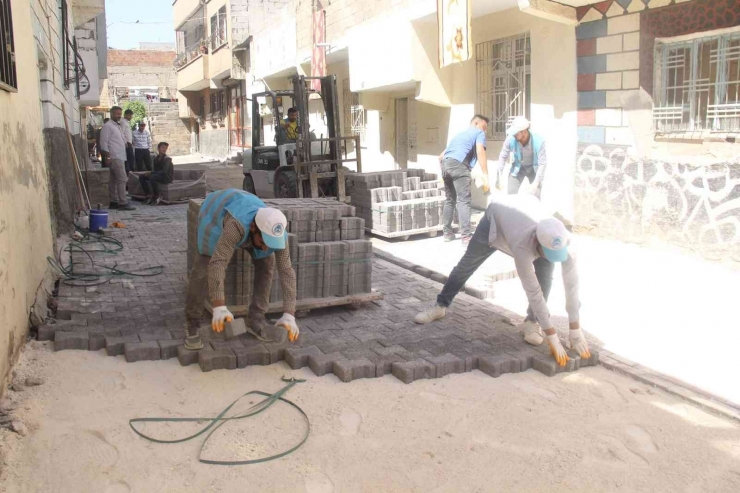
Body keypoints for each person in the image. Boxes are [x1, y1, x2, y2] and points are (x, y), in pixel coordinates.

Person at [414, 194, 591, 368]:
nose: (552, 258)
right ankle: (440, 306)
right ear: (537, 242)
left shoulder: (563, 241)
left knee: (545, 278)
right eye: (548, 254)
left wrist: (575, 326)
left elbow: (572, 284)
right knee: (467, 265)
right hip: (495, 223)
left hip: (525, 213)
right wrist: (551, 334)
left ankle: (532, 322)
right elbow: (533, 291)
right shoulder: (522, 246)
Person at [183, 189, 299, 350]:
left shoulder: (278, 232)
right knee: (203, 267)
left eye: (271, 242)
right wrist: (219, 306)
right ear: (252, 227)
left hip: (247, 205)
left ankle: (256, 319)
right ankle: (192, 322)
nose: (267, 246)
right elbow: (218, 264)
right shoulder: (236, 226)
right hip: (215, 212)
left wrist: (289, 314)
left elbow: (287, 271)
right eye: (264, 240)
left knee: (267, 264)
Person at [438, 115, 490, 246]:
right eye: (484, 127)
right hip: (459, 166)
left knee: (450, 200)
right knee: (464, 201)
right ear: (476, 123)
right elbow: (480, 151)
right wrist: (485, 175)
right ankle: (466, 237)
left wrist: (445, 173)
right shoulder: (478, 132)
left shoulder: (460, 135)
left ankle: (447, 233)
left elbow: (440, 156)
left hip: (445, 164)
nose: (485, 131)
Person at [497, 116, 547, 197]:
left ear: (524, 132)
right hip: (518, 168)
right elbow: (503, 156)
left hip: (534, 170)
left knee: (535, 197)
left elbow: (542, 164)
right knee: (511, 195)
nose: (514, 135)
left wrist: (536, 183)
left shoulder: (539, 141)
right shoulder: (510, 139)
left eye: (516, 133)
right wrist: (499, 174)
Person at [99, 107, 136, 211]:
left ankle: (114, 201)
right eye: (116, 114)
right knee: (122, 179)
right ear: (111, 114)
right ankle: (123, 202)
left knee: (114, 180)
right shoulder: (108, 126)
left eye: (120, 114)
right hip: (115, 156)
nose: (119, 115)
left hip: (120, 156)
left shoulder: (117, 125)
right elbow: (103, 143)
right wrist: (108, 156)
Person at [120, 109, 135, 174]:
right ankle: (128, 171)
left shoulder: (126, 122)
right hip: (126, 143)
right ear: (126, 115)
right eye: (130, 116)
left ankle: (129, 170)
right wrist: (125, 142)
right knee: (129, 158)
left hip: (129, 142)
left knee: (131, 158)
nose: (131, 117)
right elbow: (121, 133)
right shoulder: (123, 122)